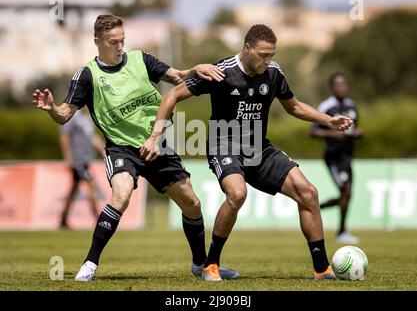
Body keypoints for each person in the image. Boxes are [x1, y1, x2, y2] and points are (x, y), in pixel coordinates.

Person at [33, 14, 239, 281]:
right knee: (121, 195)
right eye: (113, 42)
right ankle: (90, 263)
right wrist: (51, 108)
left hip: (157, 143)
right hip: (121, 148)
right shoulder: (87, 76)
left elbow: (177, 76)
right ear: (97, 42)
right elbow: (64, 115)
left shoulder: (141, 60)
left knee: (192, 204)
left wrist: (195, 69)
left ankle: (200, 265)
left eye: (122, 41)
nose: (119, 47)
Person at [141, 24, 353, 281]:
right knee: (237, 193)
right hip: (224, 146)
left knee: (308, 193)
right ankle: (211, 264)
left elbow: (294, 107)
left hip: (259, 148)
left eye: (272, 55)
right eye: (263, 55)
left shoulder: (273, 73)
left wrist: (328, 120)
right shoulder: (221, 71)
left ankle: (321, 269)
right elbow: (172, 94)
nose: (268, 61)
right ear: (247, 48)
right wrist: (155, 137)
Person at [311, 73, 363, 244]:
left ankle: (317, 208)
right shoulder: (326, 106)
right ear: (332, 88)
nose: (342, 88)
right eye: (338, 85)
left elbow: (355, 128)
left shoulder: (352, 106)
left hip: (347, 157)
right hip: (333, 157)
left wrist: (357, 133)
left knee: (347, 194)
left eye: (344, 84)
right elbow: (314, 131)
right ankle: (341, 231)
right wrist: (333, 134)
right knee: (346, 190)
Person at [59, 109, 105, 229]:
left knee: (73, 190)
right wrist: (68, 158)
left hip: (86, 160)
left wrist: (104, 151)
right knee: (92, 184)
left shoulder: (87, 118)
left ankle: (63, 219)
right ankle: (99, 221)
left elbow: (93, 137)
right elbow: (64, 136)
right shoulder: (72, 117)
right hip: (78, 160)